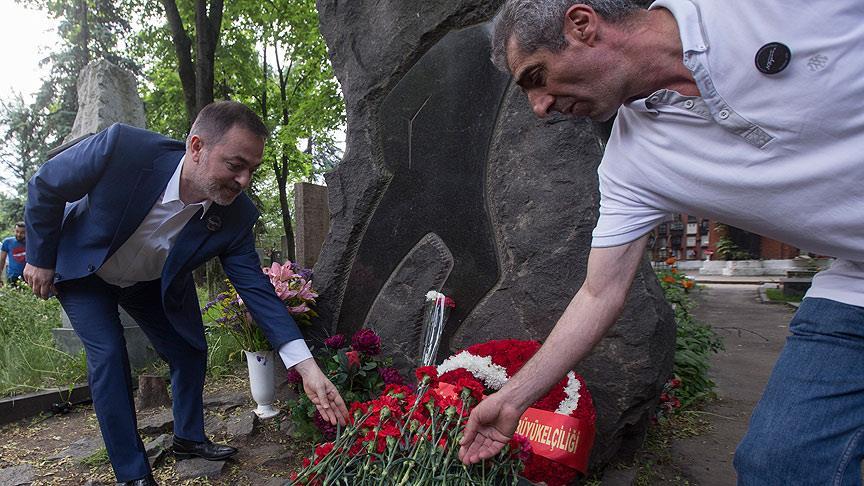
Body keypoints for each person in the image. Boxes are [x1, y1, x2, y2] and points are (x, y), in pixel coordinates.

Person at [459, 0, 864, 484]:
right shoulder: (632, 165)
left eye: (535, 77)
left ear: (582, 24)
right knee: (778, 465)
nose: (539, 106)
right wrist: (511, 399)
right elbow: (598, 292)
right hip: (855, 287)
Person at [24, 101, 348, 486]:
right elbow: (47, 183)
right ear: (196, 147)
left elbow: (258, 292)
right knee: (109, 355)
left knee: (189, 348)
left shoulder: (236, 216)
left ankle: (188, 438)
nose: (244, 180)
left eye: (252, 170)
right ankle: (133, 474)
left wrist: (307, 369)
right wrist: (40, 259)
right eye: (235, 165)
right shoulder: (122, 149)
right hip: (86, 272)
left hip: (148, 282)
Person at [0, 221, 26, 286]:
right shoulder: (7, 242)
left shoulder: (30, 243)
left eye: (22, 233)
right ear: (14, 230)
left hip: (27, 276)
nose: (19, 234)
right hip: (12, 276)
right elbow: (2, 260)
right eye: (17, 231)